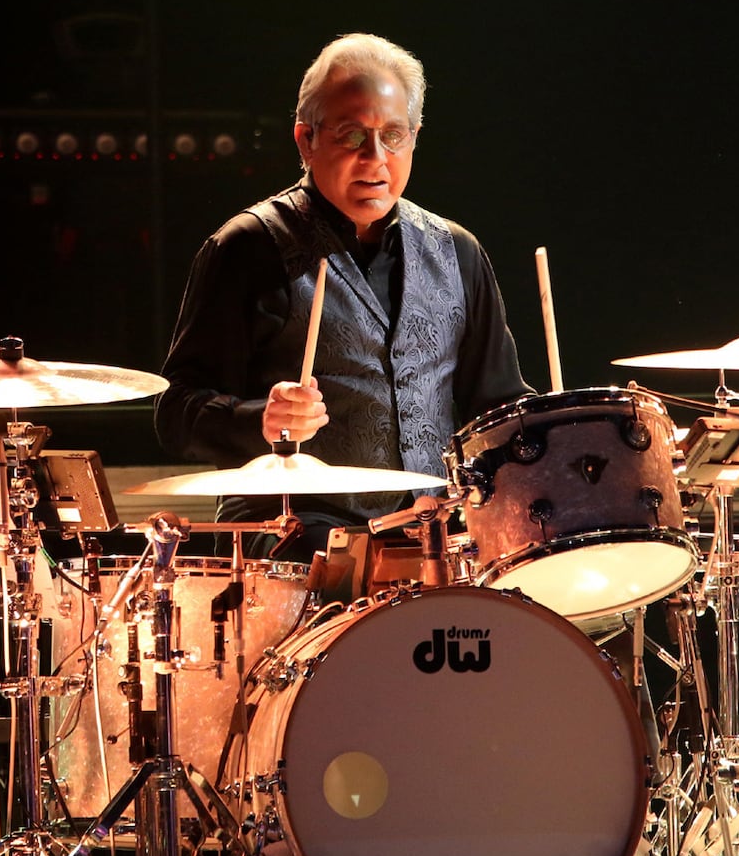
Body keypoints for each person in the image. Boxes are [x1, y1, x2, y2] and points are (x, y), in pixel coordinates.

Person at [155, 32, 532, 558]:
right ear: (306, 139)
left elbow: (498, 407)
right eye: (353, 136)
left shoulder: (458, 251)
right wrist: (259, 419)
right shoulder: (249, 247)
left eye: (393, 136)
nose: (375, 158)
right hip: (297, 538)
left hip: (438, 537)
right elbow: (177, 412)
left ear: (415, 137)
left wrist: (575, 440)